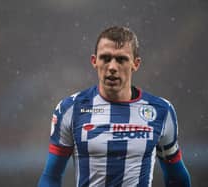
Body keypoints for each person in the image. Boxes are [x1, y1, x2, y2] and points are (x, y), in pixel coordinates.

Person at [38, 26, 191, 187]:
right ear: (94, 61)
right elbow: (51, 177)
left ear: (135, 64)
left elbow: (177, 177)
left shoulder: (161, 111)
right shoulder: (70, 109)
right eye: (105, 58)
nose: (112, 67)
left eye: (121, 59)